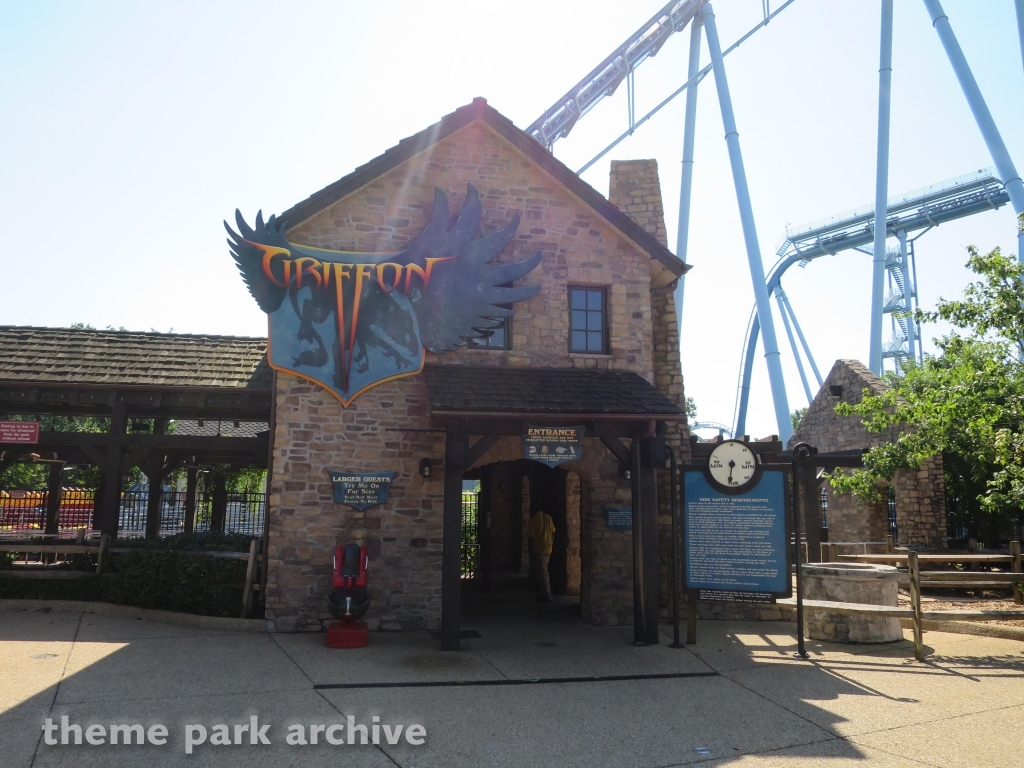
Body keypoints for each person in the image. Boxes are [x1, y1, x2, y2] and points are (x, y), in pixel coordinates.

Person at [526, 508, 555, 602]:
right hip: (548, 548)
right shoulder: (548, 518)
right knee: (544, 571)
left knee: (542, 573)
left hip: (538, 549)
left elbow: (531, 537)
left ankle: (547, 595)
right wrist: (550, 541)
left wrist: (530, 550)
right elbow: (553, 531)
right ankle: (544, 593)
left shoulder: (533, 520)